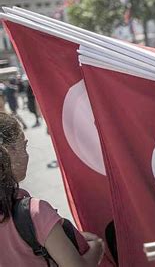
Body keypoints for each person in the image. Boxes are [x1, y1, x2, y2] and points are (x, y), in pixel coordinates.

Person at [0, 112, 104, 266]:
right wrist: (97, 246)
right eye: (24, 146)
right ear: (8, 154)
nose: (27, 155)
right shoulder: (34, 212)